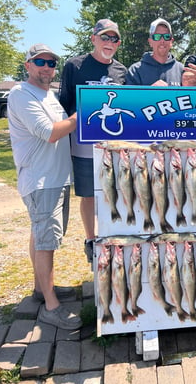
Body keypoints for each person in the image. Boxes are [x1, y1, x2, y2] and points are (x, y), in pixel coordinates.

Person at [8, 44, 82, 330]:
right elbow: (50, 132)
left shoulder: (49, 95)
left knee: (40, 235)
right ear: (28, 64)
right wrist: (85, 112)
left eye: (51, 63)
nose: (46, 67)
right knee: (46, 241)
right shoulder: (20, 94)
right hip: (40, 180)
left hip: (56, 177)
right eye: (40, 61)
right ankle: (51, 306)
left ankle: (41, 288)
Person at [59, 19, 127, 264]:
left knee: (113, 192)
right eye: (105, 37)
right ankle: (91, 239)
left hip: (112, 147)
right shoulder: (74, 65)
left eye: (114, 39)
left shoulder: (122, 71)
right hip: (83, 145)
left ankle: (112, 235)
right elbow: (63, 104)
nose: (109, 42)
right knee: (88, 195)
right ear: (94, 39)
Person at [126, 18, 183, 86]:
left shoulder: (181, 70)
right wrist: (152, 91)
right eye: (157, 36)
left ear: (171, 41)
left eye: (166, 36)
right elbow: (129, 96)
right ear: (150, 42)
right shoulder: (135, 71)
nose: (162, 41)